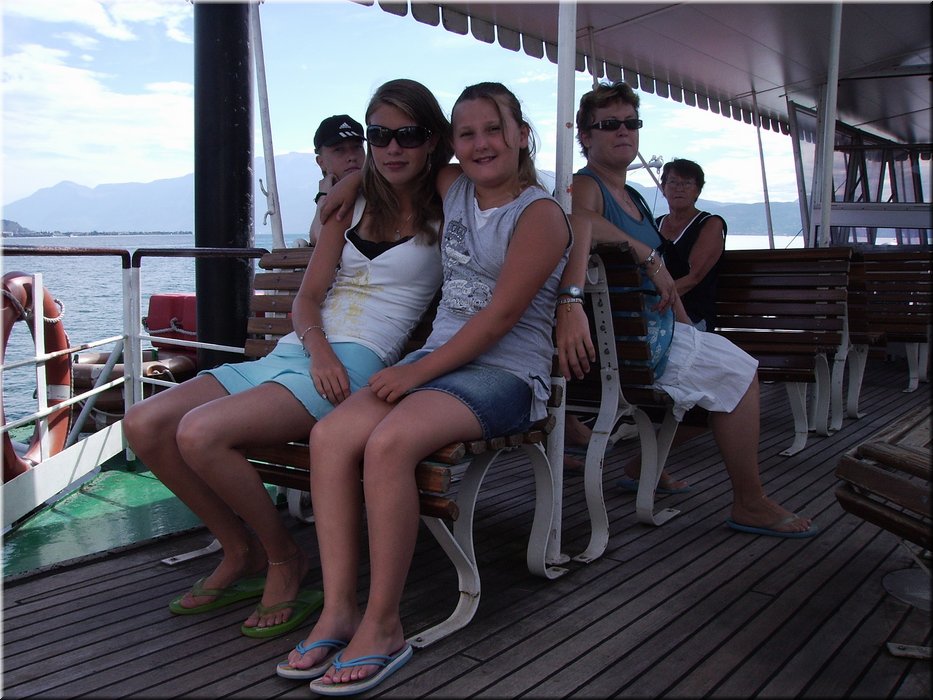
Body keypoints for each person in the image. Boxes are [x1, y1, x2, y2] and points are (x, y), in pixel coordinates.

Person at [122, 78, 452, 639]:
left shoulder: (448, 201)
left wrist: (354, 176)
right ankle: (240, 549)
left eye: (409, 135)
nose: (393, 147)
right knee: (145, 423)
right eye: (379, 136)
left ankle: (283, 557)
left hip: (358, 364)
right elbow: (307, 298)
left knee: (200, 433)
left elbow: (477, 174)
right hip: (301, 351)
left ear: (432, 139)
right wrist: (316, 348)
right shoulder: (350, 206)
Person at [277, 81, 571, 694]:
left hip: (504, 373)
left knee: (388, 444)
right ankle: (339, 611)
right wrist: (347, 184)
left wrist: (417, 370)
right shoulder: (453, 186)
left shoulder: (538, 214)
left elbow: (500, 319)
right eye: (468, 134)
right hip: (438, 364)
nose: (482, 143)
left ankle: (383, 625)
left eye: (494, 129)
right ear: (453, 146)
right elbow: (393, 166)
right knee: (331, 437)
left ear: (522, 135)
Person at [557, 80, 817, 538]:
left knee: (724, 376)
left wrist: (685, 324)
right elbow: (579, 220)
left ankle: (646, 466)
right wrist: (647, 254)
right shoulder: (586, 185)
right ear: (586, 136)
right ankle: (749, 501)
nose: (624, 131)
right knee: (741, 376)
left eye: (631, 122)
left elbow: (666, 286)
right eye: (609, 124)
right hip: (628, 347)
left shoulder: (635, 198)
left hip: (649, 333)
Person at [655, 158, 727, 332]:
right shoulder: (654, 225)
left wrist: (652, 300)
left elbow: (693, 277)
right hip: (657, 311)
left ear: (698, 190)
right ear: (663, 188)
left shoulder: (710, 224)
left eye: (687, 183)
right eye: (673, 182)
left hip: (693, 317)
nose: (679, 188)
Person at [307, 114, 366, 245]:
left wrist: (322, 196)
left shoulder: (380, 193)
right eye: (339, 150)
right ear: (321, 162)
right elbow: (317, 237)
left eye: (357, 147)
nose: (352, 157)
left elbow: (320, 238)